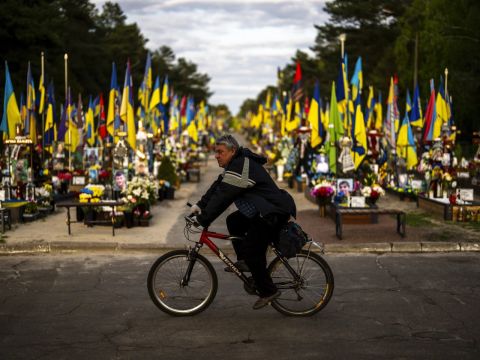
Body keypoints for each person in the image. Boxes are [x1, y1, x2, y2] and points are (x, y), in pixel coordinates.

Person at [190, 134, 296, 310]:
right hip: (264, 211)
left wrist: (203, 219)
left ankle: (268, 291)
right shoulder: (235, 164)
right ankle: (246, 261)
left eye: (220, 152)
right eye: (215, 152)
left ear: (232, 151)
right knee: (234, 221)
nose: (216, 155)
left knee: (253, 250)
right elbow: (218, 187)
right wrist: (199, 206)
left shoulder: (240, 166)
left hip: (271, 213)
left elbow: (223, 196)